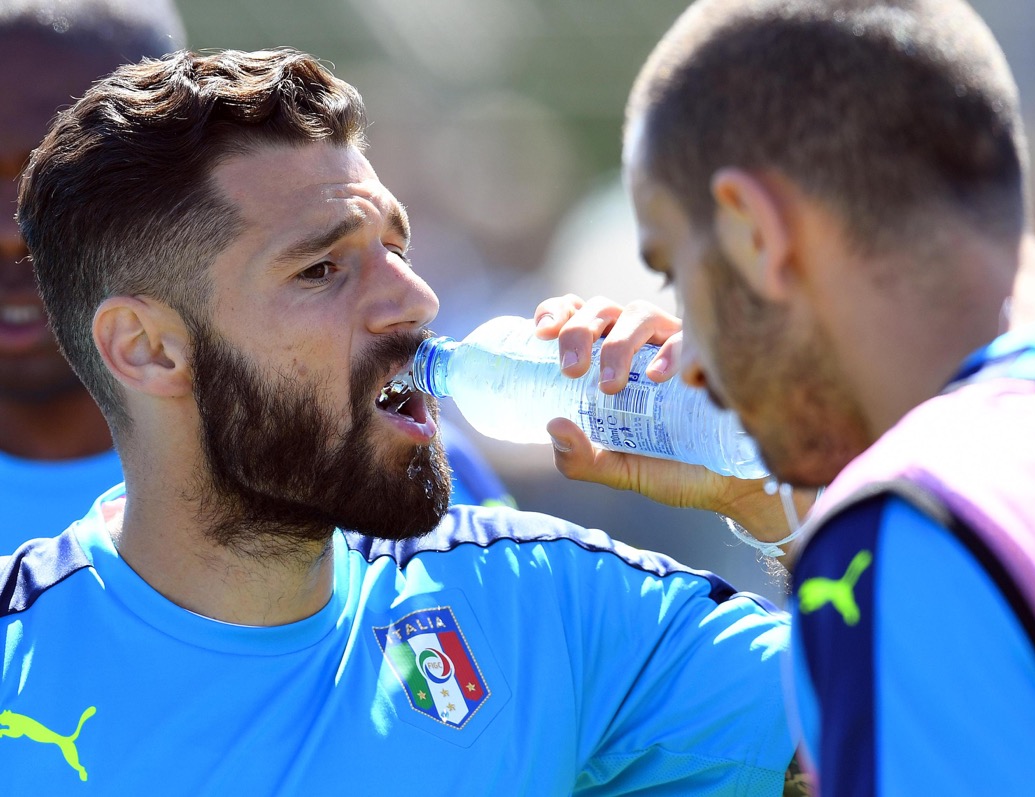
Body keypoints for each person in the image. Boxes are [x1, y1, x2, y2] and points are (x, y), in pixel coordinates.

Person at [1, 47, 797, 793]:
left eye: (397, 249)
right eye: (321, 269)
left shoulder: (539, 600)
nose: (416, 301)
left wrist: (781, 502)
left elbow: (867, 737)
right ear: (147, 349)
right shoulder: (18, 662)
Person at [543, 0, 1035, 794]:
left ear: (755, 232)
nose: (690, 360)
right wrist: (794, 516)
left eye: (672, 271)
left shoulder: (911, 525)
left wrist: (853, 535)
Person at [0, 0, 510, 548]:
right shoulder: (35, 596)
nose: (11, 231)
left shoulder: (395, 472)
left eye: (57, 179)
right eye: (318, 268)